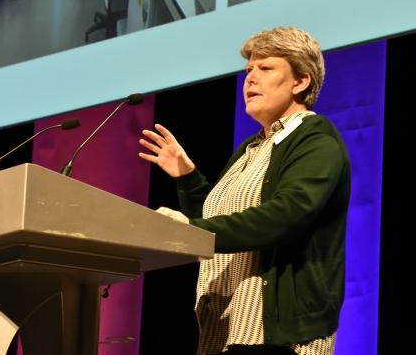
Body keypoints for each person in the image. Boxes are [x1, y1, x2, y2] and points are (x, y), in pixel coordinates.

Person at [138, 27, 350, 355]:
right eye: (248, 70)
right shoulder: (252, 147)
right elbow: (216, 218)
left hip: (277, 335)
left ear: (300, 82)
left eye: (265, 69)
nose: (250, 79)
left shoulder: (315, 139)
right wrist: (188, 177)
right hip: (226, 326)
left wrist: (190, 229)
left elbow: (285, 215)